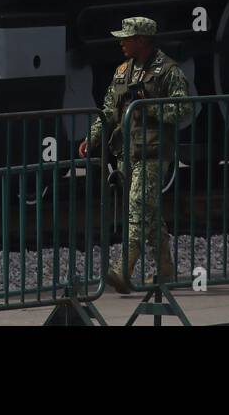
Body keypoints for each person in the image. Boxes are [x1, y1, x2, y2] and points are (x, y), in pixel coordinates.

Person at [78, 16, 192, 293]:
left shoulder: (168, 71)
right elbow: (108, 109)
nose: (121, 43)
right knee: (149, 215)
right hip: (126, 154)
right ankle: (166, 272)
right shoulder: (122, 72)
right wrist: (92, 137)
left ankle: (123, 272)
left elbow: (184, 108)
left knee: (138, 210)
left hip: (152, 153)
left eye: (126, 38)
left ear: (141, 40)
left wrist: (149, 107)